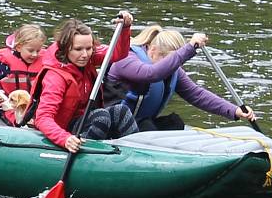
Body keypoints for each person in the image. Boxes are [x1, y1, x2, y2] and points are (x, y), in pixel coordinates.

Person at [106, 25, 256, 131]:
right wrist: (190, 47)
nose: (172, 66)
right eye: (170, 60)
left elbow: (197, 95)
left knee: (174, 123)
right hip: (112, 124)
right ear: (152, 50)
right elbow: (151, 74)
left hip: (139, 124)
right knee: (148, 127)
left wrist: (234, 110)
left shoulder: (173, 71)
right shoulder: (126, 59)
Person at [34, 15, 138, 153]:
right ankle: (86, 155)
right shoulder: (55, 77)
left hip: (83, 120)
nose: (85, 55)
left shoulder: (87, 58)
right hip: (63, 129)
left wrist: (125, 28)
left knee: (121, 111)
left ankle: (135, 154)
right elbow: (43, 118)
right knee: (101, 116)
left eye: (89, 48)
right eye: (78, 49)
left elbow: (118, 53)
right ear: (66, 49)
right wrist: (64, 139)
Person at [0, 24, 47, 125]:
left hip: (35, 107)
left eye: (38, 51)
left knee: (41, 118)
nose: (35, 54)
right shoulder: (5, 64)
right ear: (19, 47)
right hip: (12, 105)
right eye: (31, 50)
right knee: (15, 119)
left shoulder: (44, 63)